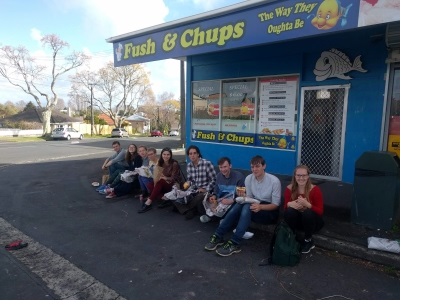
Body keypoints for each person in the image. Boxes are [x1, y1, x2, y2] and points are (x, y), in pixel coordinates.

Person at [204, 155, 281, 257]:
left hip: (268, 210)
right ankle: (218, 235)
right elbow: (249, 197)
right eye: (252, 167)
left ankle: (234, 241)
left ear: (264, 166)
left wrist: (260, 207)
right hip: (253, 205)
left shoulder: (274, 181)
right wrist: (243, 197)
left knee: (246, 207)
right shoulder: (249, 178)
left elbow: (276, 205)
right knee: (240, 204)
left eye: (257, 166)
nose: (254, 169)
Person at [283, 165, 324, 254]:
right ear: (295, 176)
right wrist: (290, 204)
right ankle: (292, 236)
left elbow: (320, 211)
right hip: (298, 221)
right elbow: (285, 208)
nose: (301, 178)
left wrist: (308, 205)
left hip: (312, 223)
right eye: (298, 175)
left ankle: (308, 240)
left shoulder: (315, 190)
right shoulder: (289, 189)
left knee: (307, 213)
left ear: (308, 176)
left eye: (304, 175)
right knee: (289, 211)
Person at [173, 145, 216, 220]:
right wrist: (187, 184)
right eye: (190, 154)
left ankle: (187, 209)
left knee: (199, 197)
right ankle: (190, 210)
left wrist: (206, 189)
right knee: (176, 199)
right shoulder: (189, 166)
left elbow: (214, 180)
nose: (192, 155)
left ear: (198, 154)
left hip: (205, 191)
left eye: (194, 153)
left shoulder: (207, 163)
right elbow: (190, 180)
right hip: (194, 190)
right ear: (188, 155)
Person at [198, 157, 245, 224]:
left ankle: (218, 219)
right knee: (202, 201)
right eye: (221, 167)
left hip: (232, 201)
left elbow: (242, 196)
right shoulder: (218, 176)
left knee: (235, 207)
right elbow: (216, 191)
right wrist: (213, 197)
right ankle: (216, 218)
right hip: (220, 201)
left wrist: (231, 201)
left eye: (225, 167)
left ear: (230, 166)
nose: (223, 169)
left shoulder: (239, 177)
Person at [138, 147, 183, 213]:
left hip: (173, 184)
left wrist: (165, 178)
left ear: (170, 155)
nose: (166, 156)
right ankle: (165, 198)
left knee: (160, 181)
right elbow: (158, 175)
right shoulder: (161, 163)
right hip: (163, 183)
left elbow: (174, 178)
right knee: (150, 185)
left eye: (168, 155)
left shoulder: (174, 163)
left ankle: (148, 202)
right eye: (164, 154)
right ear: (161, 155)